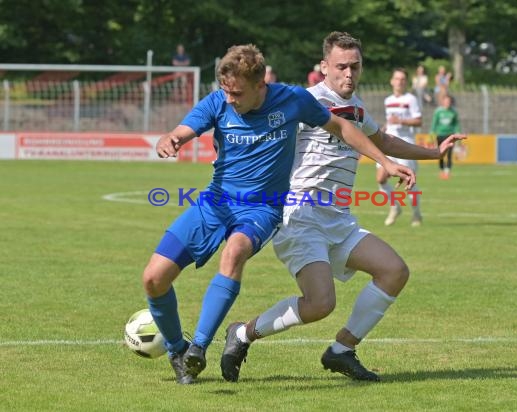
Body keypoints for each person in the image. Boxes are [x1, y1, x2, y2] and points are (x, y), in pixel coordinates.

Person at [144, 43, 415, 385]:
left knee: (236, 250)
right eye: (226, 91)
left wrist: (386, 162)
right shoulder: (218, 101)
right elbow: (183, 130)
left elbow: (343, 128)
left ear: (261, 85)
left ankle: (199, 346)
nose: (231, 100)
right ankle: (177, 350)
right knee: (153, 279)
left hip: (262, 208)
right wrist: (172, 139)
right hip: (215, 203)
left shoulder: (291, 100)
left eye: (238, 93)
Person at [220, 32, 465, 382]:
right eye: (340, 67)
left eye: (355, 66)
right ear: (324, 67)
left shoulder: (360, 108)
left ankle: (342, 350)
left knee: (394, 271)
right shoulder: (303, 101)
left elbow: (382, 140)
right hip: (300, 217)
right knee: (320, 304)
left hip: (338, 220)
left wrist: (434, 152)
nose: (348, 74)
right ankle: (243, 333)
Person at [376, 68, 423, 227]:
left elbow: (418, 121)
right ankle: (395, 206)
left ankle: (416, 213)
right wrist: (382, 130)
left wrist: (401, 121)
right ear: (391, 81)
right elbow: (390, 121)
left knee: (409, 182)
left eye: (403, 79)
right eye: (397, 78)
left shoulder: (411, 99)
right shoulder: (388, 100)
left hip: (405, 143)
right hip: (388, 142)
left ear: (406, 82)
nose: (399, 82)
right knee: (381, 178)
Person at [430, 94, 462, 179]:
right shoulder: (438, 111)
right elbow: (434, 123)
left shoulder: (453, 112)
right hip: (440, 135)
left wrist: (458, 132)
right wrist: (432, 132)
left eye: (449, 101)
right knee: (440, 154)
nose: (448, 103)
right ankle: (441, 170)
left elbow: (456, 124)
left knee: (449, 154)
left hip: (450, 135)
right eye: (446, 101)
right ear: (443, 102)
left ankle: (447, 171)